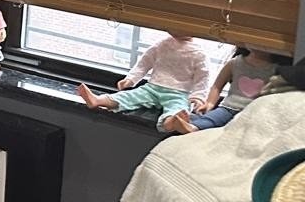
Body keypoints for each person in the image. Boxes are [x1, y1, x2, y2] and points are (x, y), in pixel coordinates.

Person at [77, 34, 208, 129]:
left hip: (179, 93)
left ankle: (172, 122)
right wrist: (131, 79)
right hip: (152, 87)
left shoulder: (199, 53)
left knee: (178, 107)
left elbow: (202, 77)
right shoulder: (163, 44)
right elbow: (144, 63)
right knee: (129, 96)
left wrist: (198, 98)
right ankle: (98, 100)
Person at [160, 48, 290, 134]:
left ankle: (185, 123)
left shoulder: (276, 69)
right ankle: (187, 126)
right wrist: (210, 103)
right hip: (228, 107)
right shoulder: (235, 63)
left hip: (254, 112)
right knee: (212, 119)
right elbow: (217, 85)